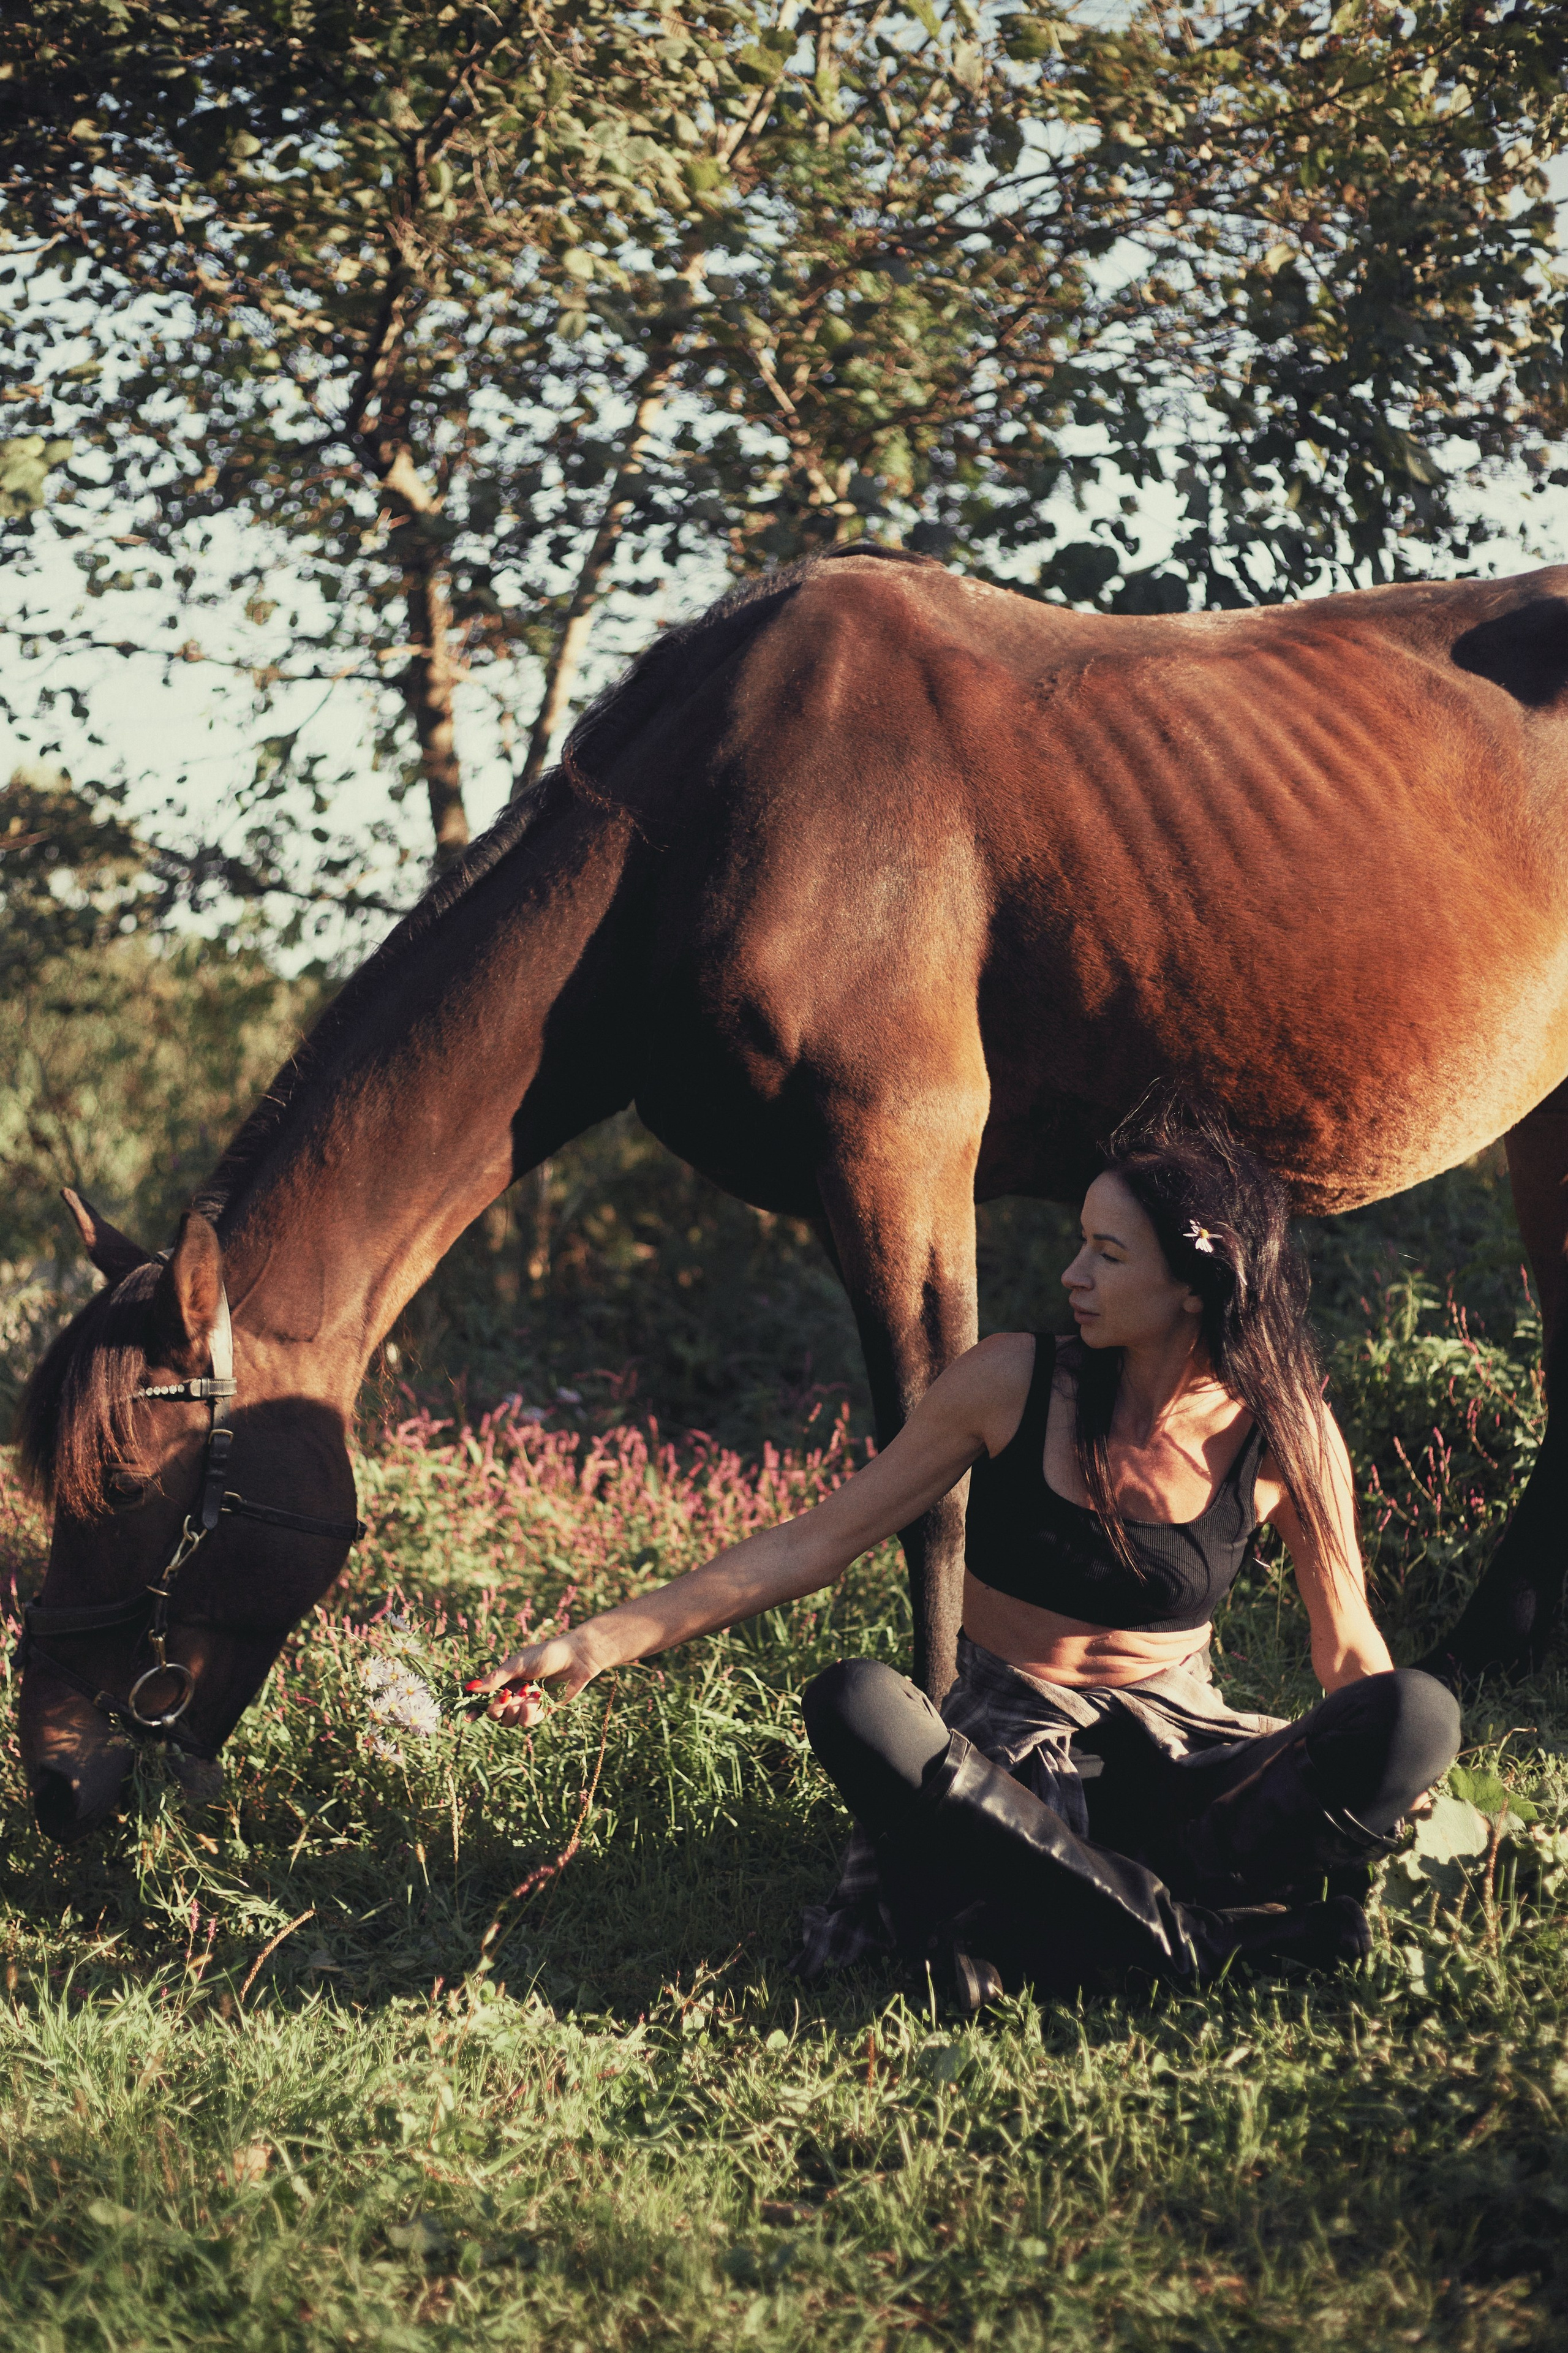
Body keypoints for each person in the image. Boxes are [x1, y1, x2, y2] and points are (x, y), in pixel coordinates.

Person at [467, 1098, 1461, 2009]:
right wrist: (599, 1640)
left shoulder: (1287, 1430)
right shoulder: (1012, 1380)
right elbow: (819, 1539)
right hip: (1006, 1773)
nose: (1072, 1274)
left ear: (1195, 1283)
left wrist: (1404, 1782)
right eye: (1081, 1245)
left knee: (1421, 1712)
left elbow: (1350, 1653)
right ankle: (1195, 1938)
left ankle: (1089, 1916)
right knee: (857, 1702)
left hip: (1182, 1765)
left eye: (1107, 1255)